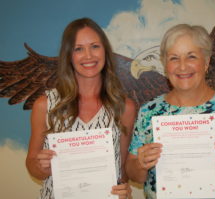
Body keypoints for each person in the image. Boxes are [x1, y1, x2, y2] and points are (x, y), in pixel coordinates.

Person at [126, 24, 215, 199]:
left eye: (191, 56)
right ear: (165, 65)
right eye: (174, 58)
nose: (182, 66)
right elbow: (134, 173)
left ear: (206, 62)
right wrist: (141, 164)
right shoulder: (149, 111)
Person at [26, 17, 136, 199]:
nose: (88, 56)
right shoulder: (45, 105)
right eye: (78, 49)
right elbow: (32, 163)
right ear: (69, 55)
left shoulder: (124, 107)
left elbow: (121, 168)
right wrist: (41, 166)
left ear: (105, 51)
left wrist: (124, 190)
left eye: (95, 46)